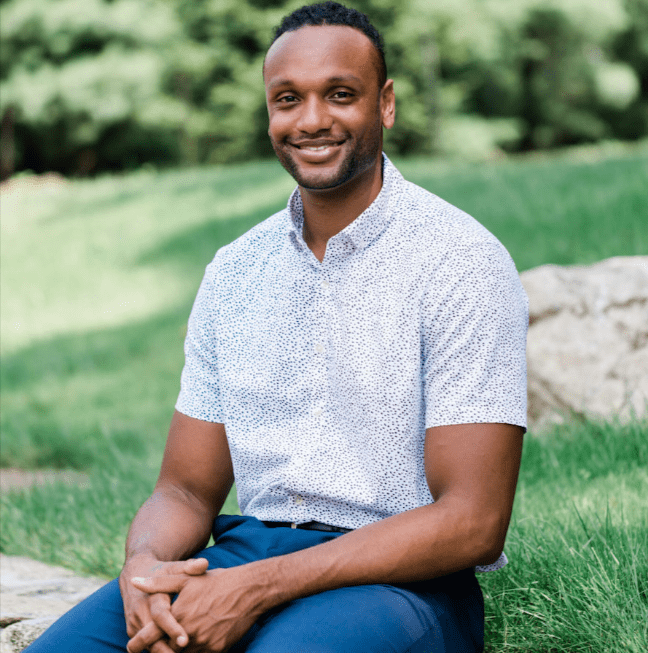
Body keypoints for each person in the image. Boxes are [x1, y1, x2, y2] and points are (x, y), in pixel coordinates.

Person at [26, 2, 527, 652]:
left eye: (340, 94)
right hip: (243, 555)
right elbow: (182, 488)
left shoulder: (461, 260)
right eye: (288, 98)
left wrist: (262, 587)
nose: (312, 119)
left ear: (386, 103)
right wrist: (146, 565)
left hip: (401, 585)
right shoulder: (235, 272)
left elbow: (473, 521)